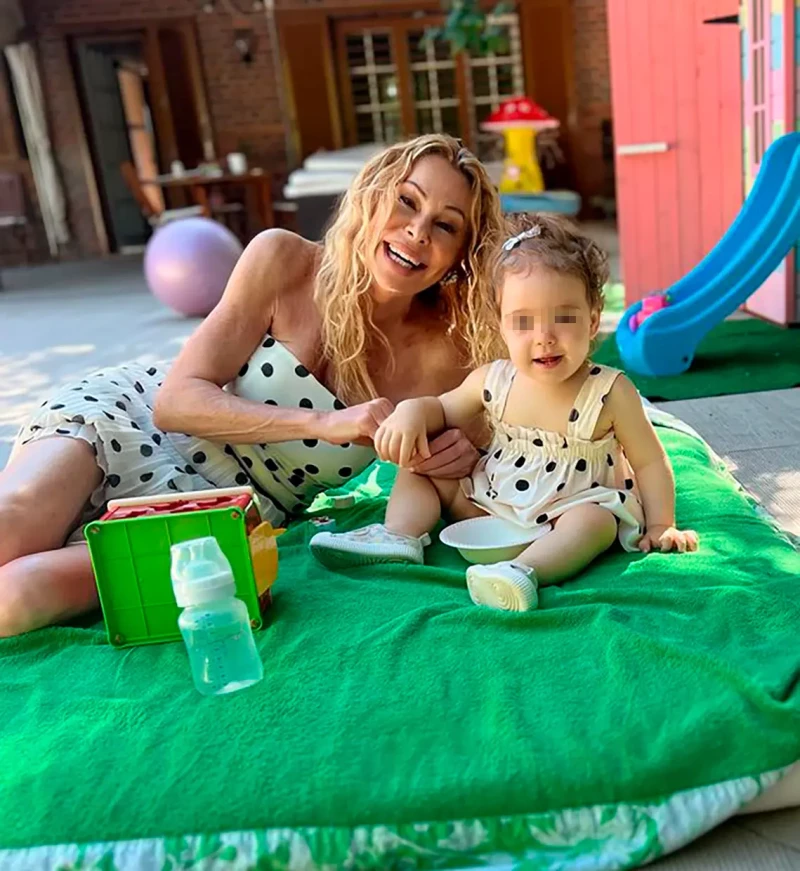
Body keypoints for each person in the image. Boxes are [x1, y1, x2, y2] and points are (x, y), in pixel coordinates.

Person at [0, 134, 505, 637]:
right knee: (11, 526)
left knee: (19, 597)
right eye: (406, 200)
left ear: (461, 253)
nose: (417, 231)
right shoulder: (284, 259)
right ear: (373, 195)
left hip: (227, 517)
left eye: (445, 225)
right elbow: (174, 402)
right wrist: (325, 423)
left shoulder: (452, 356)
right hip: (126, 423)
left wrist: (454, 458)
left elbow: (479, 470)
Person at [310, 214, 699, 611]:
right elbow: (441, 410)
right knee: (420, 466)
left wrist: (660, 524)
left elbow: (650, 462)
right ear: (502, 328)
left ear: (593, 321)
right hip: (489, 503)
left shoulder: (609, 391)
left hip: (568, 512)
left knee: (597, 522)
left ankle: (521, 573)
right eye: (523, 322)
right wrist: (413, 412)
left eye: (564, 318)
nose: (544, 336)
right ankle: (399, 536)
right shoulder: (492, 380)